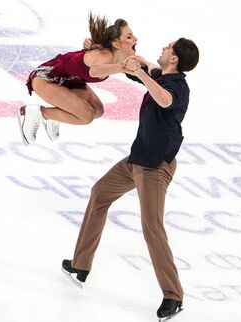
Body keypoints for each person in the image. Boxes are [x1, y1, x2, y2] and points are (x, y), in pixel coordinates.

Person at [61, 37, 199, 320]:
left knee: (152, 227)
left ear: (175, 59)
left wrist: (140, 74)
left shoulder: (177, 87)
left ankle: (174, 296)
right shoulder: (159, 75)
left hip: (154, 169)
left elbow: (163, 99)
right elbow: (140, 64)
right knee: (100, 193)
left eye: (168, 47)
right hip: (135, 161)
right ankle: (81, 265)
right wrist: (101, 49)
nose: (163, 48)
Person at [17, 12, 138, 145]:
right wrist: (122, 68)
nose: (135, 39)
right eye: (129, 36)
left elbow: (144, 65)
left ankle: (53, 117)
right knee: (86, 116)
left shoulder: (116, 54)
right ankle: (35, 113)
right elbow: (94, 71)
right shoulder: (105, 57)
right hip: (47, 79)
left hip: (70, 80)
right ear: (116, 44)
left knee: (97, 110)